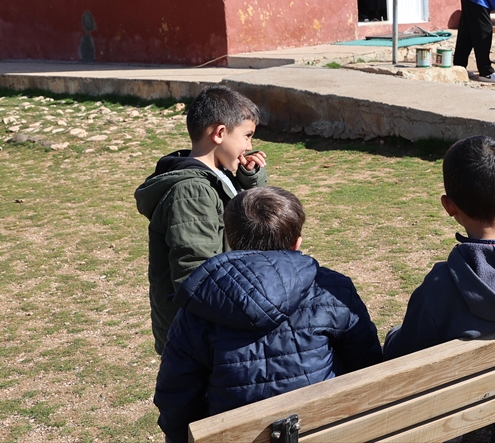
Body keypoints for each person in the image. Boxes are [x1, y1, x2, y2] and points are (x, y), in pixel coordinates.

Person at [154, 187, 383, 443]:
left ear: (229, 239)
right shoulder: (333, 290)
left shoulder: (199, 304)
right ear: (297, 242)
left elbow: (176, 399)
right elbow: (368, 368)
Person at [385, 135, 495, 443]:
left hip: (461, 399)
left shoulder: (441, 284)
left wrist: (392, 337)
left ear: (449, 206)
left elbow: (404, 356)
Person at [135, 85, 268, 355]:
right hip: (202, 338)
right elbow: (196, 275)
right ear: (220, 133)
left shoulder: (218, 176)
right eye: (247, 136)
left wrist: (249, 180)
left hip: (214, 328)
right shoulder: (192, 192)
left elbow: (248, 221)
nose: (249, 147)